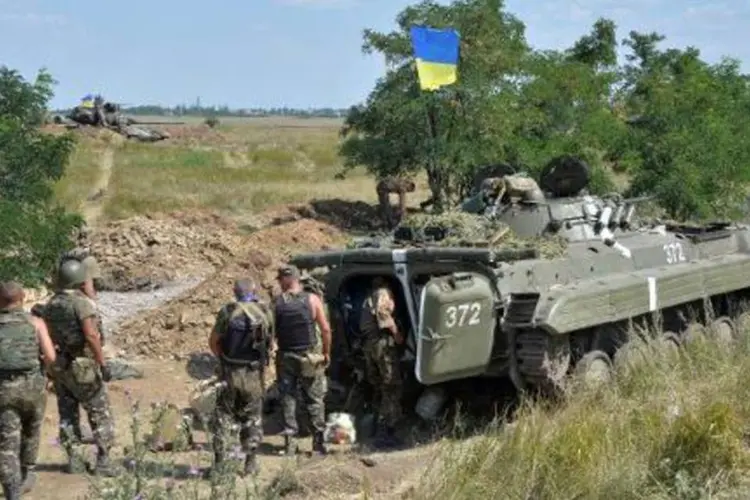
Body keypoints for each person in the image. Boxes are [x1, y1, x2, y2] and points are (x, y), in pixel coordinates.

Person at [42, 259, 118, 476]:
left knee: (67, 413)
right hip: (82, 367)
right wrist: (102, 363)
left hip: (61, 367)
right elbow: (91, 335)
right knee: (99, 411)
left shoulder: (51, 304)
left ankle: (73, 460)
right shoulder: (81, 303)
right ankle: (103, 461)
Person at [208, 278, 273, 476]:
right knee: (252, 419)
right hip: (253, 374)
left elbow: (213, 342)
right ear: (254, 290)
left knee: (223, 418)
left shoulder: (227, 311)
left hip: (229, 373)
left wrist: (224, 359)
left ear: (234, 292)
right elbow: (270, 344)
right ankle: (250, 464)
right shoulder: (265, 311)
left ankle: (220, 465)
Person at [0, 282, 56, 500]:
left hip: (4, 391)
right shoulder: (36, 323)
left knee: (7, 442)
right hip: (33, 387)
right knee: (32, 431)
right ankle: (27, 473)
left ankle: (12, 491)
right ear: (22, 299)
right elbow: (50, 356)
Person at [273, 265, 331, 455]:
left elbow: (271, 333)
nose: (279, 283)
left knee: (288, 399)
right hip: (310, 356)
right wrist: (326, 353)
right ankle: (319, 444)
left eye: (280, 279)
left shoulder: (276, 303)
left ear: (285, 280)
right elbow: (325, 329)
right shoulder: (312, 299)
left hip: (286, 356)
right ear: (298, 279)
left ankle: (289, 445)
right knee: (315, 399)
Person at [359, 277, 404, 448]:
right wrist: (396, 333)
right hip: (381, 345)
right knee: (391, 387)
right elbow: (383, 313)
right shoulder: (382, 293)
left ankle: (376, 427)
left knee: (379, 388)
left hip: (370, 345)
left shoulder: (368, 296)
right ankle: (385, 432)